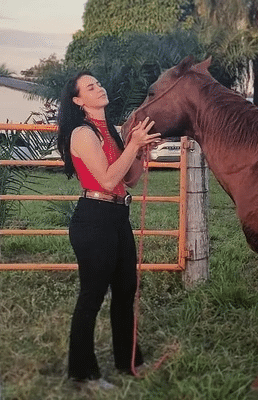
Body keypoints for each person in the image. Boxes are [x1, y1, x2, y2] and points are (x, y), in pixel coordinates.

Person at [57, 72, 161, 390]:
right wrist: (133, 145)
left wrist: (143, 153)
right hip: (94, 218)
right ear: (78, 101)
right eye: (91, 87)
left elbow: (127, 179)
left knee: (125, 291)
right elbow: (105, 179)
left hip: (117, 217)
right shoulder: (82, 133)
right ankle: (82, 374)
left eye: (99, 83)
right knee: (92, 297)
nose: (99, 88)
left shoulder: (111, 131)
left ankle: (128, 362)